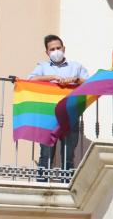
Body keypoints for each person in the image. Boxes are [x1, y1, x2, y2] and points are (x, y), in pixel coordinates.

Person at [29, 35, 89, 180]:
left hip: (70, 115)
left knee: (68, 155)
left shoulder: (76, 66)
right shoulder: (42, 67)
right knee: (46, 155)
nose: (56, 51)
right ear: (47, 53)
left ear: (63, 48)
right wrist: (51, 77)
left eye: (58, 48)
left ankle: (66, 185)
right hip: (48, 116)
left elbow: (89, 83)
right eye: (52, 49)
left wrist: (76, 79)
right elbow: (31, 79)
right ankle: (42, 185)